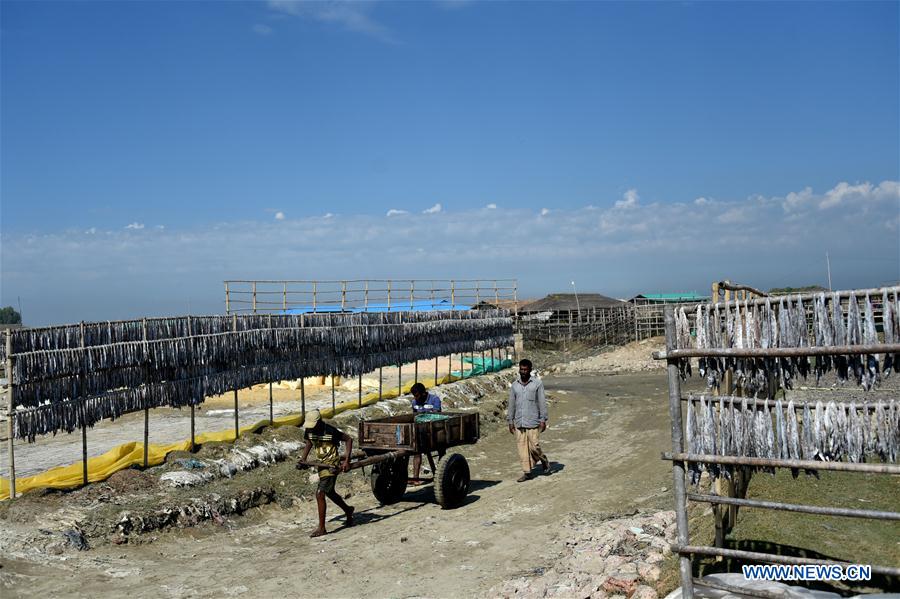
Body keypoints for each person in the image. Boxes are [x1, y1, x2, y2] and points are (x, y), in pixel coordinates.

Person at [297, 409, 355, 537]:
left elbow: (348, 439)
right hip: (321, 463)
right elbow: (309, 442)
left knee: (320, 493)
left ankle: (322, 528)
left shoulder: (330, 430)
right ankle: (348, 509)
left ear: (319, 422)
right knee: (329, 492)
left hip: (332, 464)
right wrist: (303, 458)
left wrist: (346, 461)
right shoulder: (309, 431)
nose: (311, 429)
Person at [507, 358, 550, 482]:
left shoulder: (537, 384)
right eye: (521, 369)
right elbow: (511, 404)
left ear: (530, 370)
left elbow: (542, 402)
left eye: (526, 369)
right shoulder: (515, 385)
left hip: (533, 421)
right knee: (522, 449)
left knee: (534, 446)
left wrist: (543, 419)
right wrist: (510, 421)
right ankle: (527, 472)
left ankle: (543, 459)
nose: (523, 371)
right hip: (519, 422)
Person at [409, 382, 443, 485]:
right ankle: (415, 479)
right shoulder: (414, 402)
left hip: (436, 430)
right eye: (414, 396)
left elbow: (437, 414)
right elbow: (414, 417)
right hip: (421, 432)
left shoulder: (434, 399)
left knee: (441, 450)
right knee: (417, 452)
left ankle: (442, 475)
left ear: (423, 393)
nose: (416, 398)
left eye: (417, 395)